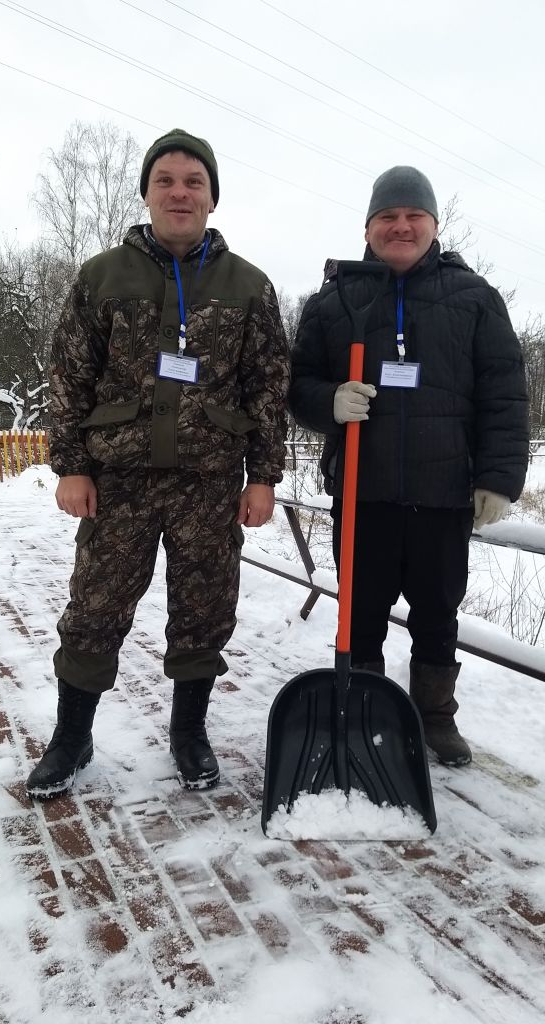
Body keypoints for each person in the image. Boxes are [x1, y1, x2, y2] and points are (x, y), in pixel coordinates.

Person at [27, 129, 290, 798]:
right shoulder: (102, 276)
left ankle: (188, 731)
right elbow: (69, 376)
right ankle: (72, 736)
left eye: (193, 182)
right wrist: (71, 465)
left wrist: (263, 477)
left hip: (209, 483)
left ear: (211, 197)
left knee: (204, 610)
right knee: (94, 608)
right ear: (146, 194)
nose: (179, 192)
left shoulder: (248, 285)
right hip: (118, 481)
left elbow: (267, 388)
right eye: (165, 181)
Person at [289, 166, 529, 766]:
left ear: (434, 225)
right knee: (361, 610)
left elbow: (504, 392)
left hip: (442, 491)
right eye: (387, 217)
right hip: (362, 490)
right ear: (368, 228)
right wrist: (328, 401)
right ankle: (364, 708)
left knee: (437, 612)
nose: (401, 226)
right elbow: (296, 382)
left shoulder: (474, 298)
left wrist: (498, 478)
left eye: (413, 215)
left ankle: (435, 715)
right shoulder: (336, 299)